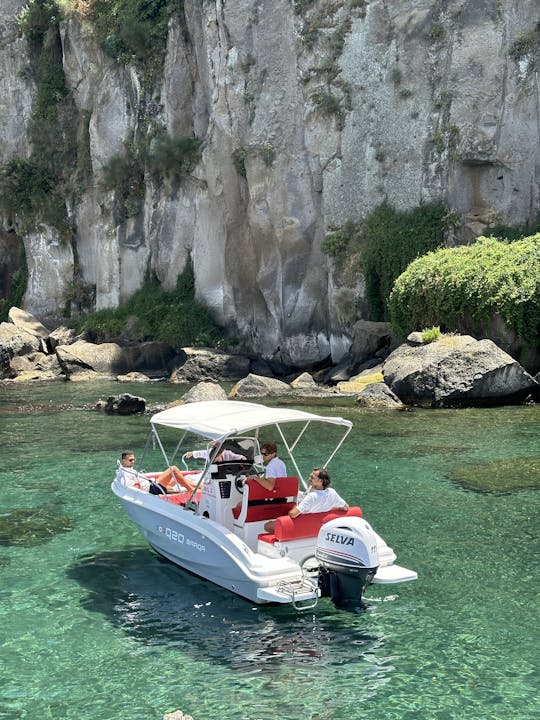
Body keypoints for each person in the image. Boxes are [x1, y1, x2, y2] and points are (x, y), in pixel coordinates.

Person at [263, 467, 348, 533]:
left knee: (267, 525)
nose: (309, 478)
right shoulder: (332, 493)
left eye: (312, 477)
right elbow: (346, 507)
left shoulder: (312, 496)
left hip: (301, 525)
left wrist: (295, 506)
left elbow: (293, 514)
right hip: (317, 526)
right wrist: (331, 509)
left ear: (320, 481)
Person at [116, 451, 198, 494]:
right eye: (130, 460)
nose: (133, 461)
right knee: (173, 469)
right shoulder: (125, 473)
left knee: (177, 478)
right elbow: (128, 487)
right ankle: (192, 491)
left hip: (152, 484)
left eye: (134, 459)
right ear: (124, 461)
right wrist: (140, 484)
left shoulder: (129, 470)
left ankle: (200, 487)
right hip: (152, 488)